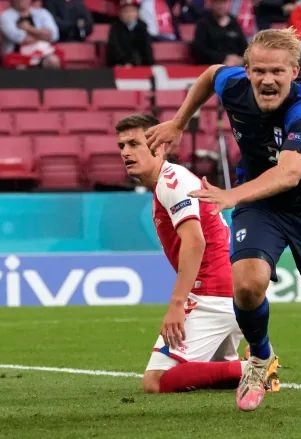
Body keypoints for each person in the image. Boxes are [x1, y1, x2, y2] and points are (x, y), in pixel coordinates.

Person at [145, 28, 301, 414]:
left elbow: (290, 174)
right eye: (258, 70)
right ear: (246, 71)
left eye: (277, 71)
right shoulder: (234, 85)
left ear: (294, 71)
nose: (267, 79)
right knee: (246, 284)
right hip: (261, 205)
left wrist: (230, 196)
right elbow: (211, 74)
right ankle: (259, 360)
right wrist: (179, 122)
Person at [116, 113, 276, 394]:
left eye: (134, 143)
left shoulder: (172, 180)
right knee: (209, 376)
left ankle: (257, 366)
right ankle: (247, 370)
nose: (126, 152)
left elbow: (195, 242)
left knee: (156, 380)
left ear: (160, 145)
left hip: (211, 295)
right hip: (228, 292)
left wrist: (178, 304)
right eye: (122, 146)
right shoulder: (166, 183)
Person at [0, 0, 62, 69]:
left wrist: (28, 28)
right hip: (17, 55)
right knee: (20, 66)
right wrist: (44, 36)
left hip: (42, 52)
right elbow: (23, 39)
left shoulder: (42, 13)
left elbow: (54, 36)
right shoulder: (5, 17)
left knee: (53, 61)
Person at [191, 0, 248, 65]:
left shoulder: (234, 22)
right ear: (211, 4)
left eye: (224, 3)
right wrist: (224, 58)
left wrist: (241, 59)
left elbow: (244, 46)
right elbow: (199, 50)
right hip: (212, 66)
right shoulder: (203, 24)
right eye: (218, 3)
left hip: (237, 65)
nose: (221, 6)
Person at [107, 0, 155, 67]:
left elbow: (147, 49)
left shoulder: (143, 27)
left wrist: (148, 64)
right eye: (126, 11)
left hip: (141, 64)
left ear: (137, 12)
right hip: (121, 64)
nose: (129, 14)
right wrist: (125, 62)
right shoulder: (115, 28)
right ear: (120, 13)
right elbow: (115, 48)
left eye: (132, 11)